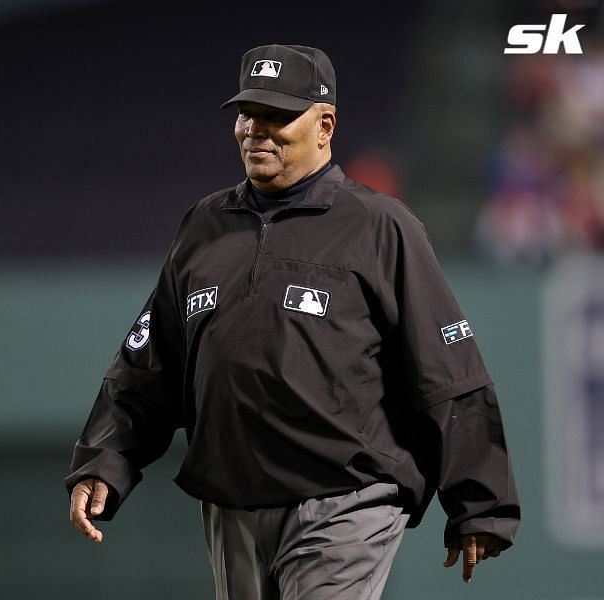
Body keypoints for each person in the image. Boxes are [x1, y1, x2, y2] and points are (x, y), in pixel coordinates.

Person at [65, 44, 520, 600]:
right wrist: (105, 461)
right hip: (231, 503)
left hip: (346, 498)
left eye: (277, 116)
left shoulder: (380, 225)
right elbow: (147, 363)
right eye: (246, 115)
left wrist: (481, 503)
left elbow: (448, 369)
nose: (255, 130)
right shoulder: (205, 225)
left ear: (325, 124)